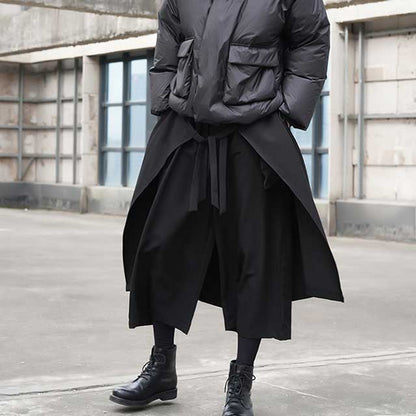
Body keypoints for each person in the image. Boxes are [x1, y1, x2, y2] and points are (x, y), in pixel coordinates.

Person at [109, 0, 345, 414]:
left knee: (255, 257)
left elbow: (311, 40)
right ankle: (162, 367)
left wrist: (286, 110)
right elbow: (169, 35)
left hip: (253, 133)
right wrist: (164, 98)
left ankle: (241, 380)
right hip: (187, 128)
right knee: (161, 245)